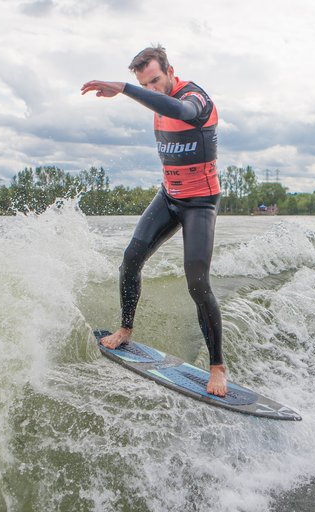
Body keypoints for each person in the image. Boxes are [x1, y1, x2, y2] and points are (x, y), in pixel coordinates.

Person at [81, 45, 227, 397]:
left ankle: (217, 365)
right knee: (130, 260)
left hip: (200, 203)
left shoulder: (196, 99)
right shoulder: (154, 100)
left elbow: (179, 109)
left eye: (156, 80)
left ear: (171, 70)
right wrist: (138, 90)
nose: (153, 89)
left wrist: (126, 89)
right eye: (146, 84)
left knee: (197, 281)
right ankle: (126, 329)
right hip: (169, 197)